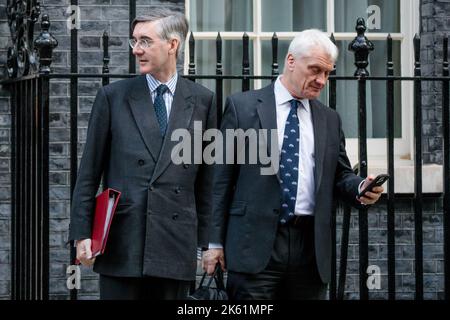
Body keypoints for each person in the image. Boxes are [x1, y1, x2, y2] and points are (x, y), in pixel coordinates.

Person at [202, 29, 383, 300]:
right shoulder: (242, 107)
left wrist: (361, 187)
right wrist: (214, 242)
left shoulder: (329, 119)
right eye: (315, 70)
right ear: (290, 61)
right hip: (254, 245)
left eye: (327, 73)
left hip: (310, 250)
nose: (322, 80)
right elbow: (221, 180)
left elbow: (340, 174)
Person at [69, 8, 216, 300]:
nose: (137, 50)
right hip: (123, 243)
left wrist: (210, 242)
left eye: (146, 41)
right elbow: (88, 173)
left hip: (175, 244)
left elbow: (208, 183)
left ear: (173, 45)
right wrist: (81, 234)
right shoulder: (113, 97)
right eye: (134, 41)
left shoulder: (203, 100)